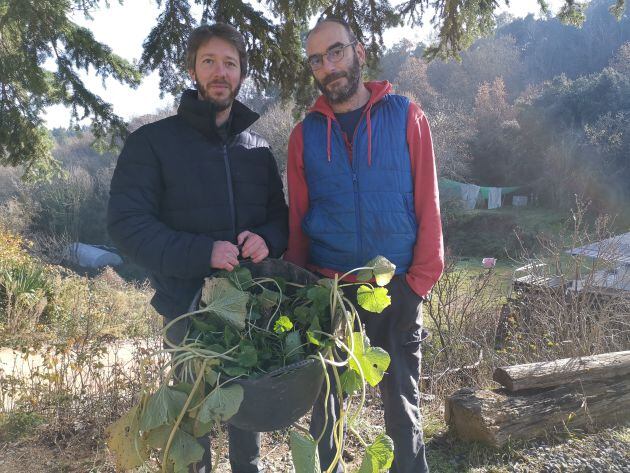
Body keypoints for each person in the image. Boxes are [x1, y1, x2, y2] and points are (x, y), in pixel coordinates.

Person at [107, 22, 287, 473]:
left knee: (247, 414)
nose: (220, 71)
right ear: (191, 69)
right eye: (209, 61)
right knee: (194, 424)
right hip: (185, 309)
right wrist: (202, 252)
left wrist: (269, 239)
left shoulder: (258, 150)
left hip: (249, 308)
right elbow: (127, 225)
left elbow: (279, 220)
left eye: (230, 63)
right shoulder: (152, 143)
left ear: (242, 73)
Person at [284, 17, 444, 473]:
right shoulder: (303, 135)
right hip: (329, 292)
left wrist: (418, 283)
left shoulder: (406, 116)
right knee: (327, 412)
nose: (328, 66)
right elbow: (298, 218)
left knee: (402, 409)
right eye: (317, 60)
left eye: (336, 52)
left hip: (395, 287)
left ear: (360, 52)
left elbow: (428, 203)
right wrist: (300, 286)